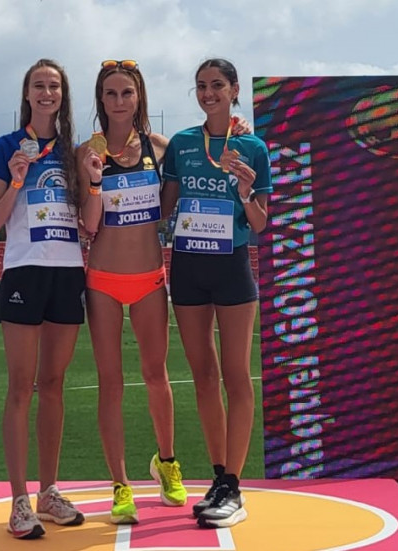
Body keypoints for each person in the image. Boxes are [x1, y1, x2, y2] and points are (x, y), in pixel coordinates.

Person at [160, 58, 270, 529]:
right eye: (202, 86)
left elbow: (261, 223)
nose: (209, 93)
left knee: (236, 376)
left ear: (234, 89)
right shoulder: (183, 143)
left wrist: (245, 191)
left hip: (232, 267)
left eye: (217, 85)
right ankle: (219, 476)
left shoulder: (254, 146)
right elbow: (163, 205)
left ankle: (234, 486)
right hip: (187, 265)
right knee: (203, 377)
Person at [78, 59, 186, 524]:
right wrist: (97, 180)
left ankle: (166, 463)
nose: (119, 101)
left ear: (139, 96)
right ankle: (120, 484)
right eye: (110, 94)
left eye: (127, 93)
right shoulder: (87, 152)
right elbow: (89, 222)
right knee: (111, 383)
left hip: (148, 279)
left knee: (156, 375)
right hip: (102, 279)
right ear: (100, 100)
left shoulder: (162, 149)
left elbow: (168, 207)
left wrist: (237, 126)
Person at [0, 58, 86, 540]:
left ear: (62, 96)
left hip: (68, 273)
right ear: (27, 93)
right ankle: (19, 500)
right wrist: (18, 179)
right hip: (23, 270)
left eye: (55, 87)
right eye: (39, 86)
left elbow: (89, 221)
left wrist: (93, 176)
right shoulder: (7, 147)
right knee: (21, 386)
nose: (47, 93)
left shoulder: (72, 151)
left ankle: (48, 492)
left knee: (54, 383)